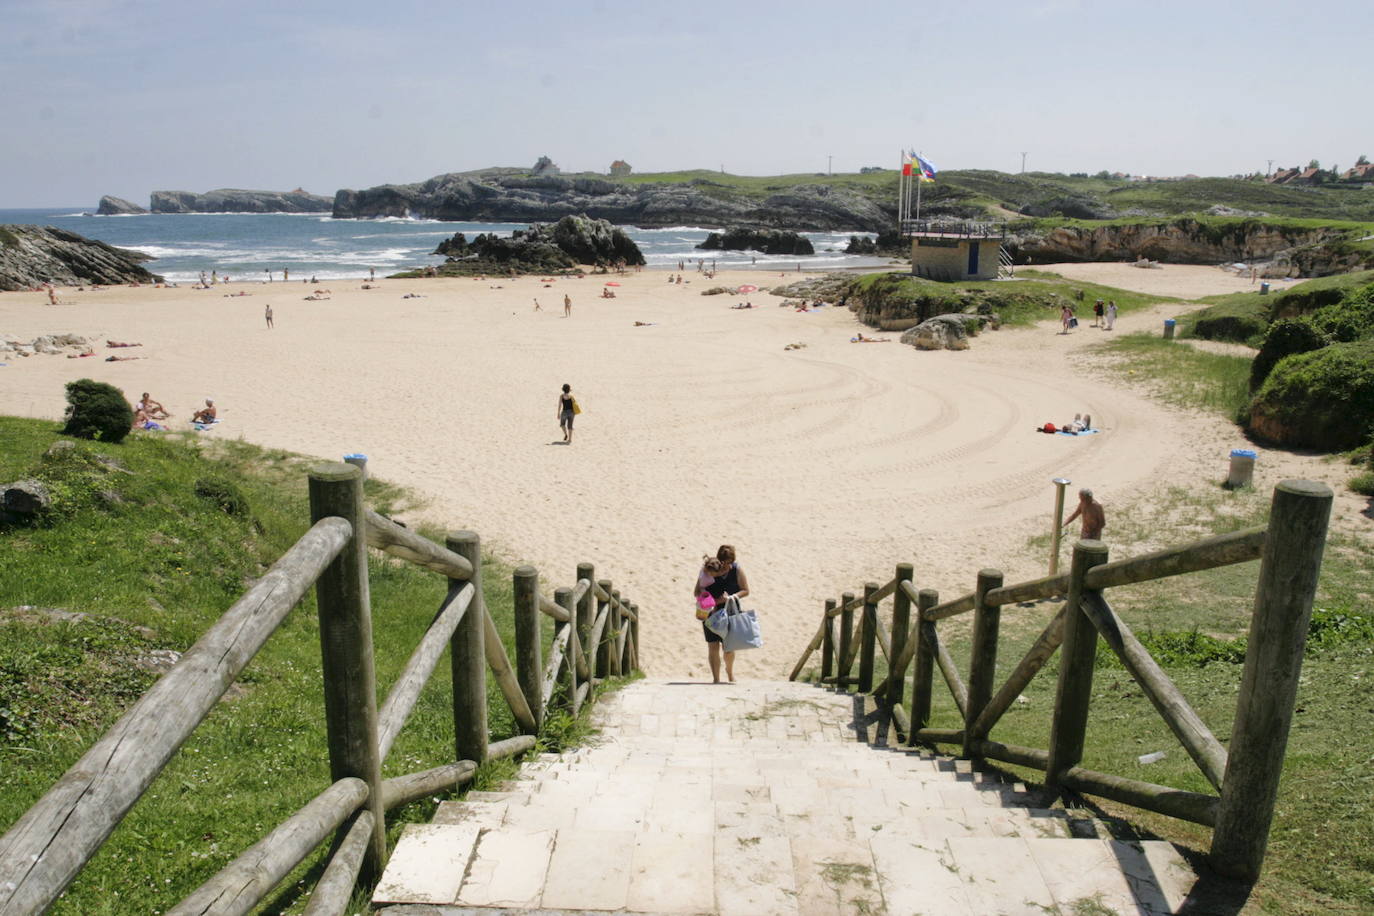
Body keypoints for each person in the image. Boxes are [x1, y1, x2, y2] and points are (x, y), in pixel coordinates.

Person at [694, 544, 750, 684]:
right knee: (713, 645)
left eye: (728, 563)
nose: (725, 566)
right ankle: (716, 679)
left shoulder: (737, 570)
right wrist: (706, 597)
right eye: (723, 562)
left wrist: (730, 597)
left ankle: (730, 673)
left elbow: (745, 590)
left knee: (729, 647)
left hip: (730, 612)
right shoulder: (709, 569)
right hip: (710, 613)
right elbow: (696, 591)